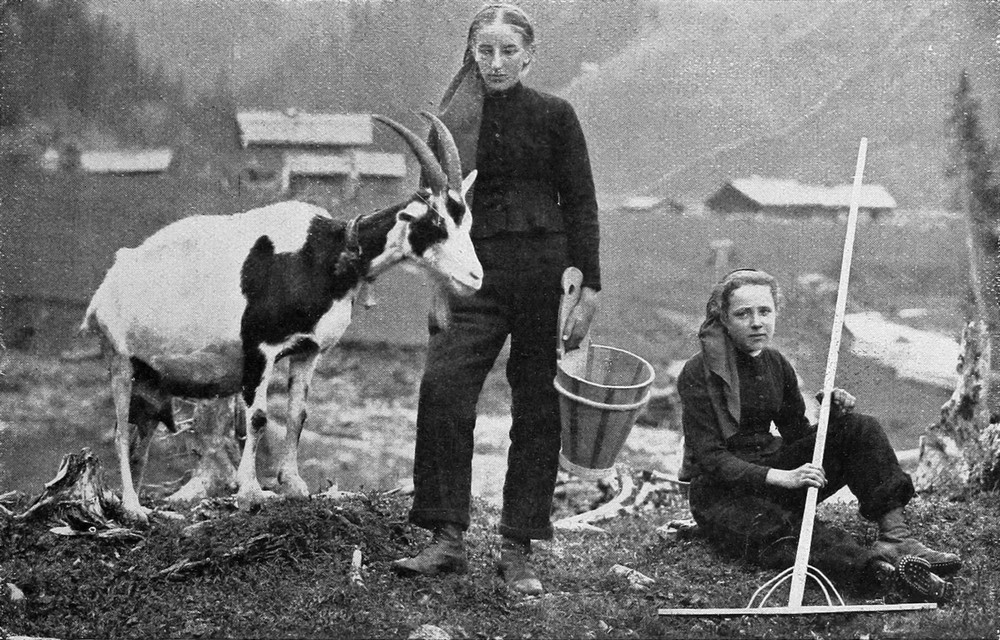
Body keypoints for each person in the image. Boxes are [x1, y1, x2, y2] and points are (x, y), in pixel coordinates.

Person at [392, 3, 600, 596]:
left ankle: (518, 547)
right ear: (472, 54)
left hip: (541, 278)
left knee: (537, 408)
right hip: (470, 279)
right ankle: (446, 538)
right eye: (485, 51)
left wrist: (589, 287)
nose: (497, 62)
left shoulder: (555, 115)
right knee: (443, 389)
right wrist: (436, 282)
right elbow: (434, 212)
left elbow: (580, 201)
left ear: (529, 56)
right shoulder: (451, 126)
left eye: (509, 51)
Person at [677, 269, 962, 603]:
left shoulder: (775, 363)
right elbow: (709, 458)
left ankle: (896, 539)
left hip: (778, 475)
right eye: (743, 314)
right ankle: (881, 573)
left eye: (765, 311)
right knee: (786, 531)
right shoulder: (698, 372)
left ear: (775, 313)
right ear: (724, 318)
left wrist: (832, 416)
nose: (756, 323)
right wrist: (781, 477)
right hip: (722, 495)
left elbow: (797, 435)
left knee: (859, 427)